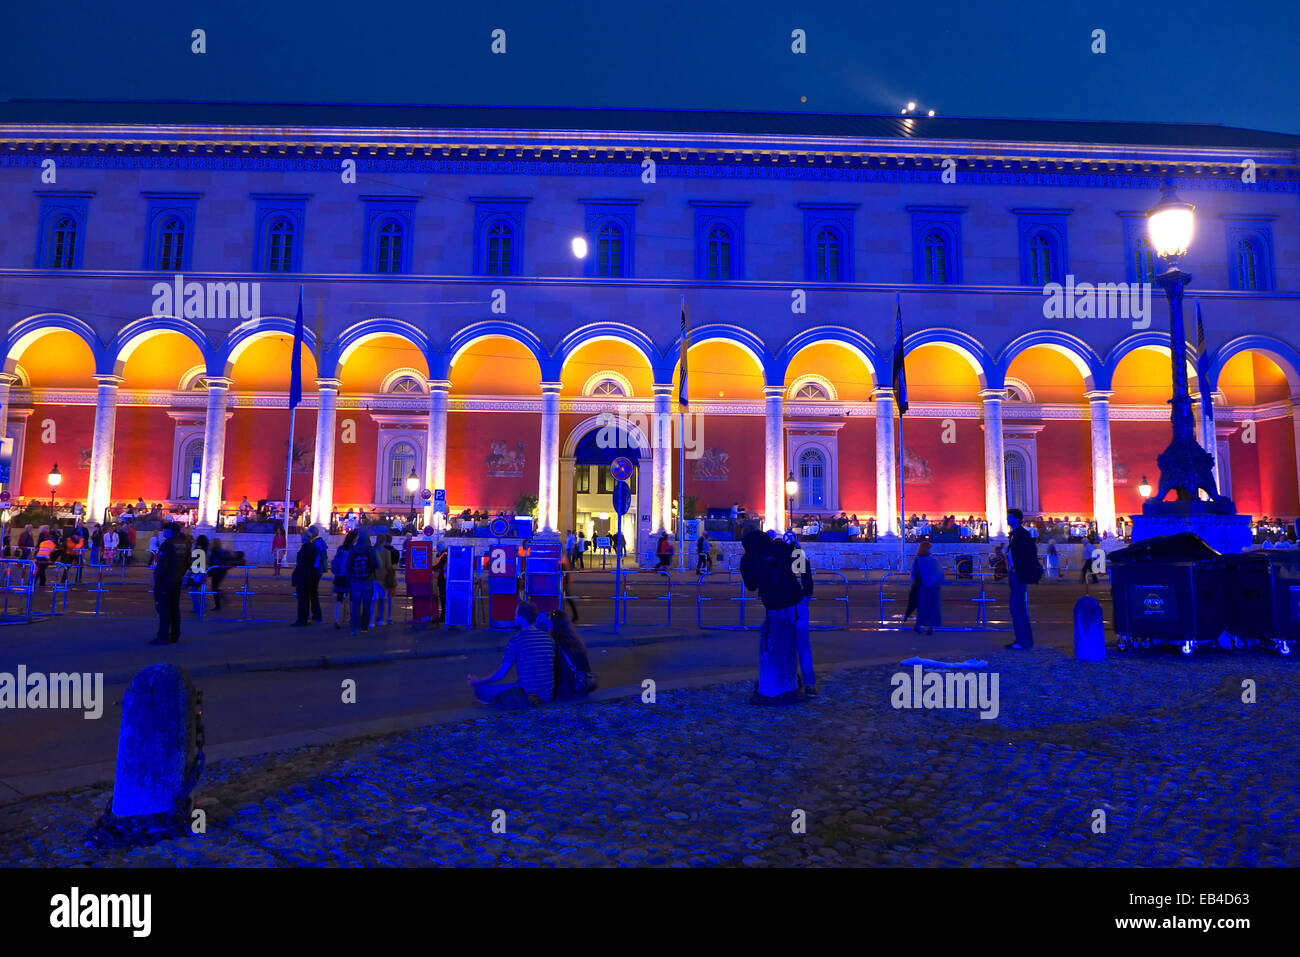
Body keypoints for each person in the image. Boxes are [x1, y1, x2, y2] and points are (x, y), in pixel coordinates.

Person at [739, 528, 804, 704]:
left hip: (771, 604)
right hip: (793, 599)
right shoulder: (779, 548)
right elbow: (800, 561)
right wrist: (807, 586)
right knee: (793, 641)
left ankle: (773, 684)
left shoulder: (747, 559)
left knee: (772, 641)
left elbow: (751, 586)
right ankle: (790, 683)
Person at [467, 601, 556, 707]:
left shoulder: (516, 641)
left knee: (481, 690)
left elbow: (501, 674)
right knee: (515, 685)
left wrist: (479, 681)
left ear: (522, 619)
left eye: (516, 615)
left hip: (528, 695)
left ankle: (496, 701)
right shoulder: (549, 639)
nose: (514, 618)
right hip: (548, 694)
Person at [784, 529, 817, 695]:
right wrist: (806, 597)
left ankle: (787, 680)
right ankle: (809, 683)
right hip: (799, 605)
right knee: (804, 646)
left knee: (784, 646)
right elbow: (807, 581)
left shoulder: (779, 558)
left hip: (782, 606)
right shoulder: (799, 557)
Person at [1006, 508, 1041, 650]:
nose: (1007, 518)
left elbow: (1030, 553)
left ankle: (1023, 641)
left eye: (1009, 516)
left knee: (1017, 607)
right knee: (1016, 607)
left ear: (1016, 518)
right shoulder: (1014, 534)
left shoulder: (1022, 534)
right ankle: (1021, 640)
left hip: (1019, 575)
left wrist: (1021, 568)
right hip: (1014, 573)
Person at [149, 523, 186, 645]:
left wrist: (157, 580)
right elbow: (186, 562)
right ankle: (175, 635)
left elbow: (163, 565)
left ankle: (163, 636)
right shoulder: (184, 543)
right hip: (177, 580)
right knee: (175, 608)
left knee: (164, 610)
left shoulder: (168, 544)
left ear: (171, 531)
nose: (163, 531)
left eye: (165, 529)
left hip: (165, 582)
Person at [551, 610, 597, 700]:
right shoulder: (576, 641)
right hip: (582, 686)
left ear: (554, 625)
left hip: (567, 690)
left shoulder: (557, 643)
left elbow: (554, 670)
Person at [912, 540, 944, 635]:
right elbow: (939, 574)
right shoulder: (933, 560)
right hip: (933, 587)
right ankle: (931, 626)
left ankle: (919, 625)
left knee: (922, 607)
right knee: (933, 607)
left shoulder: (917, 560)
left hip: (921, 586)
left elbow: (914, 573)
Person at [349, 530, 377, 634]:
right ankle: (364, 627)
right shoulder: (370, 549)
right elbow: (378, 564)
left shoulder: (354, 550)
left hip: (356, 581)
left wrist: (350, 578)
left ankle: (355, 628)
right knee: (367, 604)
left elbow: (348, 566)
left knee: (356, 604)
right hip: (368, 580)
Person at [290, 531, 319, 626]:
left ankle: (301, 620)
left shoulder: (305, 548)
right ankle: (304, 619)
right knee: (306, 599)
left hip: (303, 576)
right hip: (310, 575)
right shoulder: (313, 547)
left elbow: (301, 563)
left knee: (302, 599)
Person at [331, 529, 356, 630]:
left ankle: (336, 619)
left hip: (339, 576)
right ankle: (351, 618)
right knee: (352, 599)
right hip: (349, 576)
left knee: (339, 599)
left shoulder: (340, 548)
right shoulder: (353, 550)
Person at [371, 533, 393, 626]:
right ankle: (380, 619)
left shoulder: (372, 550)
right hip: (383, 578)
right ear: (384, 541)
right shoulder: (386, 552)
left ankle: (370, 621)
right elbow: (388, 566)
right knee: (382, 599)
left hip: (373, 577)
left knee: (373, 599)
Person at [208, 537, 233, 610]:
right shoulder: (220, 551)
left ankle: (218, 604)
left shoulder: (214, 551)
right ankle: (221, 599)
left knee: (214, 588)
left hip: (217, 571)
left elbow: (214, 561)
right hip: (222, 571)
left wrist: (210, 570)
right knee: (216, 587)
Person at [432, 543, 448, 622]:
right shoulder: (442, 555)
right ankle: (443, 616)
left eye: (438, 547)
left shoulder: (444, 555)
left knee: (443, 599)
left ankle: (444, 616)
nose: (437, 548)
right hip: (442, 580)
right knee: (443, 599)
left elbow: (440, 566)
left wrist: (431, 567)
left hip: (444, 580)